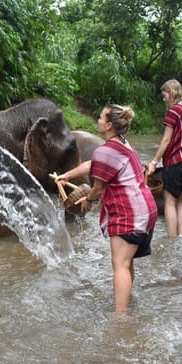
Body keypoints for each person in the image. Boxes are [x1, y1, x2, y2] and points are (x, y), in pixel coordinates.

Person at [55, 104, 158, 315]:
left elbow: (98, 188)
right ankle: (126, 301)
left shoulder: (106, 150)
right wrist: (67, 175)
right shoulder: (123, 144)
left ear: (109, 125)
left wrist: (88, 200)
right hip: (146, 209)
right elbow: (93, 164)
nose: (98, 120)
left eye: (101, 117)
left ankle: (120, 317)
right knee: (126, 262)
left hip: (129, 213)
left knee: (119, 263)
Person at [146, 79, 182, 238]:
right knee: (181, 201)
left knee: (169, 201)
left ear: (171, 93)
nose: (164, 99)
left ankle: (171, 239)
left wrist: (154, 163)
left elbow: (166, 140)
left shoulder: (174, 111)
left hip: (176, 162)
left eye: (165, 95)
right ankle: (181, 236)